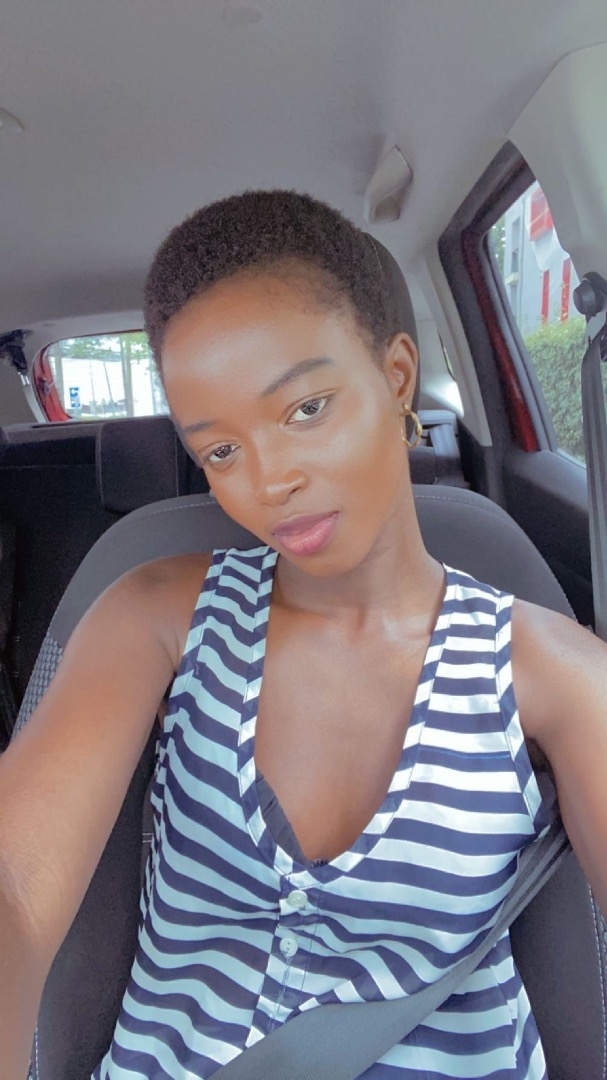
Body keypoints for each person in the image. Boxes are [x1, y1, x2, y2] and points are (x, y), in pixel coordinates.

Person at [1, 190, 606, 1080]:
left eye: (305, 408)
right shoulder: (155, 613)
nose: (268, 480)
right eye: (220, 451)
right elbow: (16, 885)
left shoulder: (550, 670)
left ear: (395, 376)